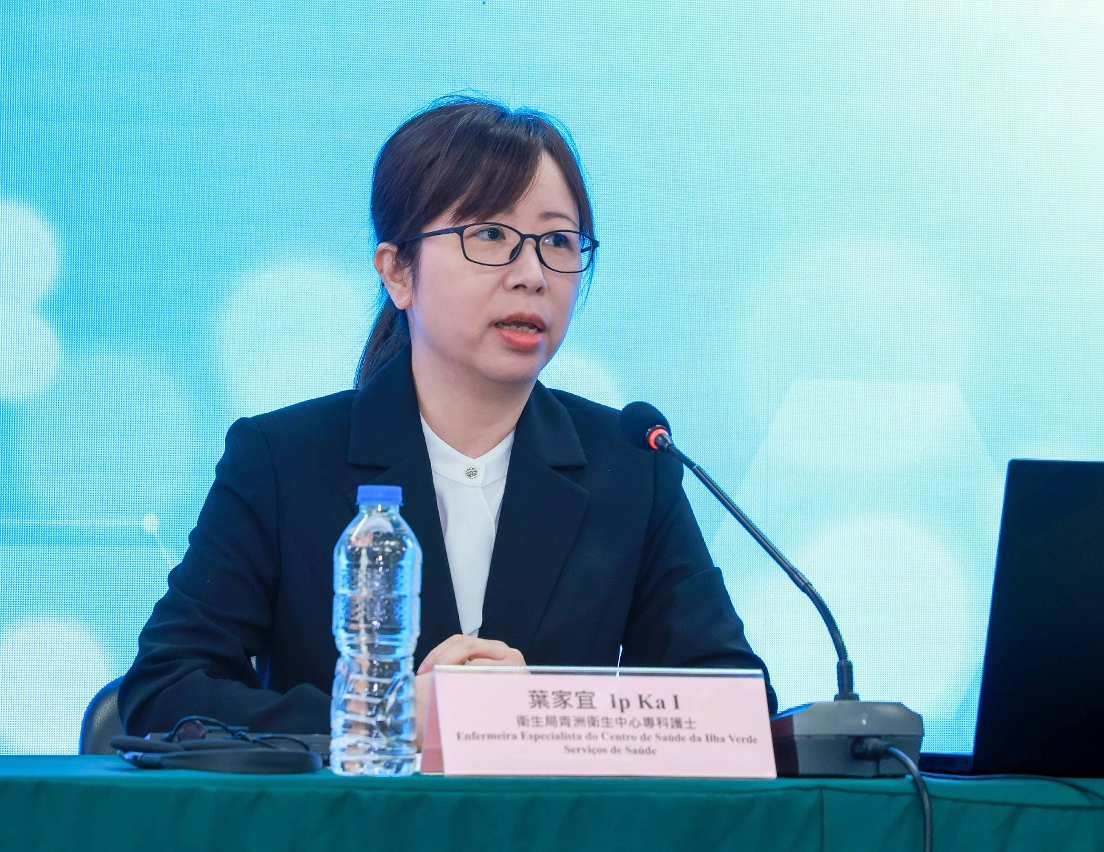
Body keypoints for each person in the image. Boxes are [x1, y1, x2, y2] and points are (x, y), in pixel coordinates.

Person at [119, 95, 776, 739]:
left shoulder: (631, 466)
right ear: (398, 272)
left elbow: (734, 706)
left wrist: (543, 714)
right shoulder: (282, 460)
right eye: (489, 234)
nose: (532, 273)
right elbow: (165, 689)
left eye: (557, 240)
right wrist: (388, 716)